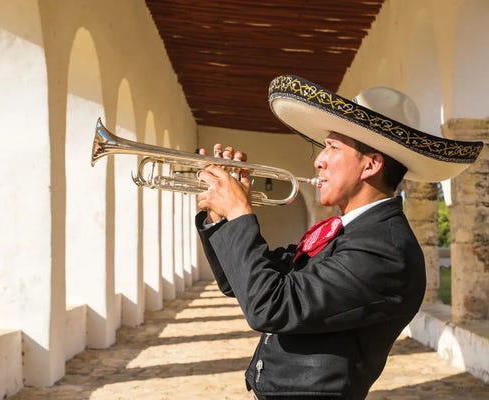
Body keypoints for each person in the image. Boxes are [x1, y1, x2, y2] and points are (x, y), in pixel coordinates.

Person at [195, 75, 484, 400]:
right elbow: (242, 283)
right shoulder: (348, 232)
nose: (319, 160)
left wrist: (239, 213)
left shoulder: (384, 251)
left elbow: (270, 307)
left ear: (371, 165)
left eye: (332, 147)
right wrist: (218, 216)